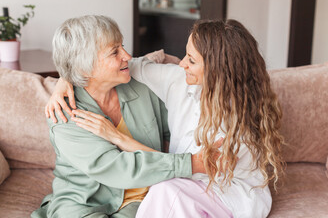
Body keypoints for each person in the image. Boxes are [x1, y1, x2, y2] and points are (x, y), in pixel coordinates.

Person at [46, 19, 285, 218]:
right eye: (115, 51)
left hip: (213, 194)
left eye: (191, 60)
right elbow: (144, 62)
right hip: (93, 202)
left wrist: (118, 138)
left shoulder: (236, 117)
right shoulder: (174, 81)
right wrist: (66, 79)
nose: (181, 63)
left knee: (166, 192)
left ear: (219, 69)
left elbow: (192, 169)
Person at [32, 15, 213, 218]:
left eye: (122, 46)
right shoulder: (64, 113)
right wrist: (190, 164)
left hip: (143, 197)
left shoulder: (141, 86)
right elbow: (118, 168)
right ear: (85, 67)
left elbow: (172, 131)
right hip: (84, 204)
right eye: (114, 52)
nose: (126, 55)